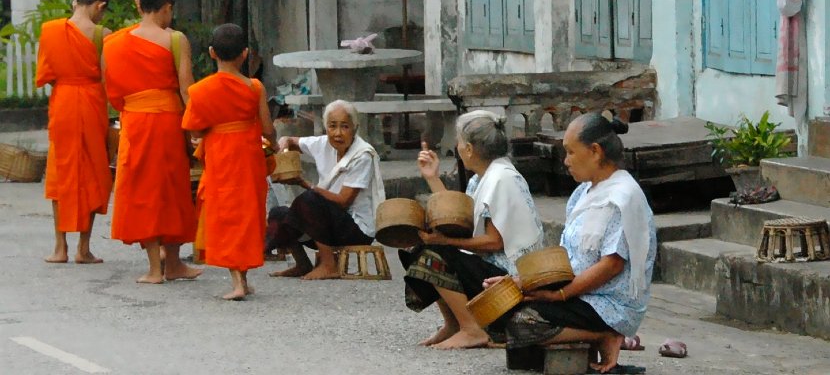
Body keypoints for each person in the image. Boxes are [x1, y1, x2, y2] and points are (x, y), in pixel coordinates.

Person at [485, 112, 656, 374]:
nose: (566, 161)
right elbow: (566, 258)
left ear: (595, 151)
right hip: (579, 291)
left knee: (522, 322)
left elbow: (611, 266)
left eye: (570, 152)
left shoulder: (624, 198)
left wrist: (560, 295)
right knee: (497, 313)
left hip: (607, 303)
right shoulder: (583, 192)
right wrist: (519, 283)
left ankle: (604, 334)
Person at [400, 110, 544, 350]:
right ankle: (454, 323)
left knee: (435, 254)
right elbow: (458, 219)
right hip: (491, 268)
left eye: (458, 142)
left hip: (508, 280)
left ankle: (472, 329)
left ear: (468, 149)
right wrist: (432, 178)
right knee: (420, 247)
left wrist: (446, 241)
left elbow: (494, 243)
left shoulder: (502, 178)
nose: (457, 147)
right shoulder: (483, 177)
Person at [102, 0, 201, 284]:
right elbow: (187, 90)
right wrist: (198, 127)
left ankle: (156, 268)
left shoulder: (113, 43)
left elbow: (113, 93)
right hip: (168, 122)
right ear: (167, 7)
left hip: (134, 121)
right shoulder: (174, 39)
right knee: (171, 191)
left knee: (142, 191)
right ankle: (172, 262)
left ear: (137, 3)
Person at [182, 23, 274, 300]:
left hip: (221, 156)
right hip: (248, 156)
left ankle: (237, 282)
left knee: (225, 215)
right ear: (245, 54)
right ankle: (242, 278)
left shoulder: (200, 91)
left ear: (212, 53)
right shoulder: (255, 87)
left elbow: (195, 129)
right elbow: (268, 129)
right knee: (247, 214)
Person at [36, 0, 113, 264]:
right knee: (93, 171)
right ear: (99, 6)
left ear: (75, 3)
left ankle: (60, 248)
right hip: (92, 102)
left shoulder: (51, 30)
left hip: (64, 102)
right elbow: (109, 79)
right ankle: (84, 248)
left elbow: (46, 73)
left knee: (61, 169)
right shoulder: (103, 35)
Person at [266, 99, 385, 280]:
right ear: (325, 127)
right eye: (332, 126)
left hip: (355, 229)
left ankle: (329, 265)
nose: (337, 133)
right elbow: (291, 141)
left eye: (344, 127)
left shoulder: (362, 155)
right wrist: (284, 142)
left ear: (355, 128)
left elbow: (344, 201)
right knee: (278, 213)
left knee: (310, 199)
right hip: (326, 226)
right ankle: (302, 264)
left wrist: (305, 184)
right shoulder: (323, 143)